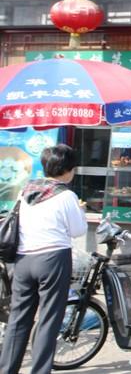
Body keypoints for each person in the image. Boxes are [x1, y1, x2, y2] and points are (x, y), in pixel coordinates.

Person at [0, 144, 87, 374]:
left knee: (18, 319)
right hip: (53, 259)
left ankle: (7, 370)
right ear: (67, 170)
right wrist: (81, 211)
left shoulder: (25, 191)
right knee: (49, 319)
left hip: (23, 260)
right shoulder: (66, 196)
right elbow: (78, 230)